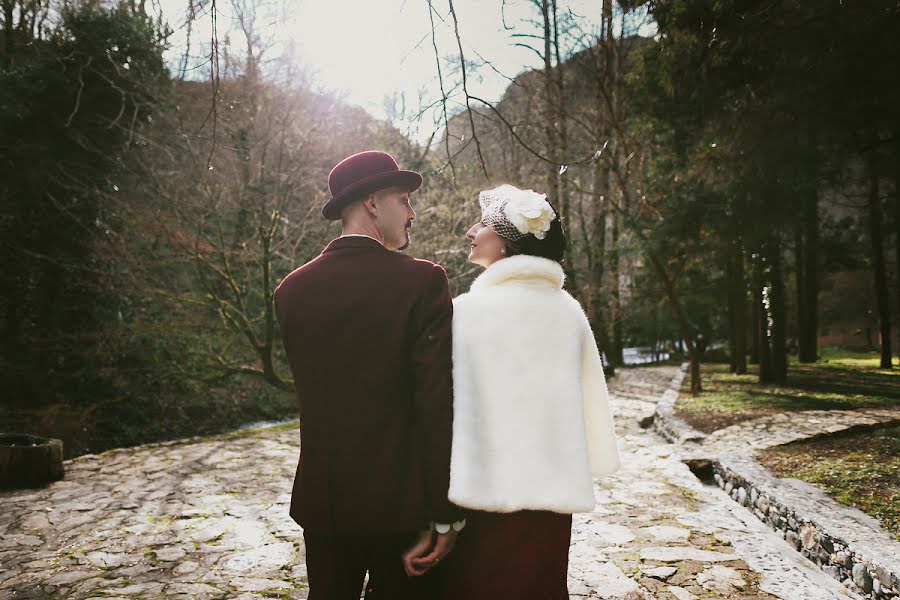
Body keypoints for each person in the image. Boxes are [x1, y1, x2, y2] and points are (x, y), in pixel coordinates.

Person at [410, 184, 621, 599]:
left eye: (483, 224)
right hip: (551, 498)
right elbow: (591, 399)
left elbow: (441, 405)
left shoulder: (466, 313)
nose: (471, 230)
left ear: (505, 244)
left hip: (482, 499)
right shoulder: (568, 311)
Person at [273, 150, 464, 600]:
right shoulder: (423, 282)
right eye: (405, 199)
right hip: (400, 511)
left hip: (325, 507)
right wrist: (445, 514)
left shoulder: (291, 290)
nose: (412, 213)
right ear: (374, 203)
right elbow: (436, 405)